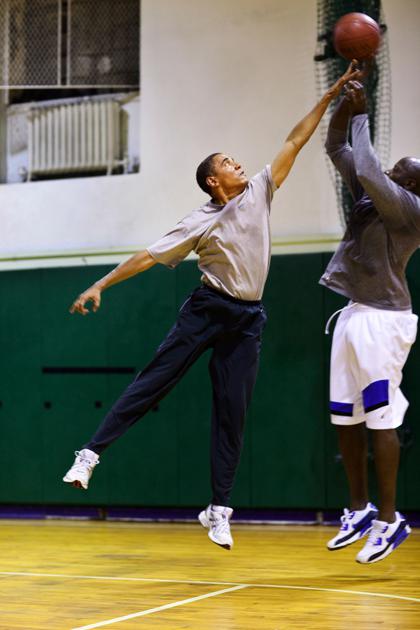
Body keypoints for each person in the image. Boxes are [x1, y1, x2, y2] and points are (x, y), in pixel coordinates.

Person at [63, 62, 359, 550]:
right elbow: (147, 256)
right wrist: (102, 284)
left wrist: (330, 93)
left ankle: (218, 509)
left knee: (232, 412)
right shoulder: (199, 220)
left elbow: (294, 140)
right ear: (211, 181)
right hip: (208, 309)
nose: (238, 162)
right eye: (227, 161)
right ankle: (90, 454)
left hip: (247, 320)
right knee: (154, 380)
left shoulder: (261, 191)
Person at [321, 78, 420, 563]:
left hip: (386, 321)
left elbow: (367, 167)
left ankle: (390, 517)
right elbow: (336, 145)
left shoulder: (409, 209)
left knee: (380, 418)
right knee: (344, 415)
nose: (398, 167)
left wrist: (362, 113)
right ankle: (359, 508)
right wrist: (344, 109)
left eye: (406, 169)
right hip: (354, 313)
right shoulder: (371, 193)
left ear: (413, 185)